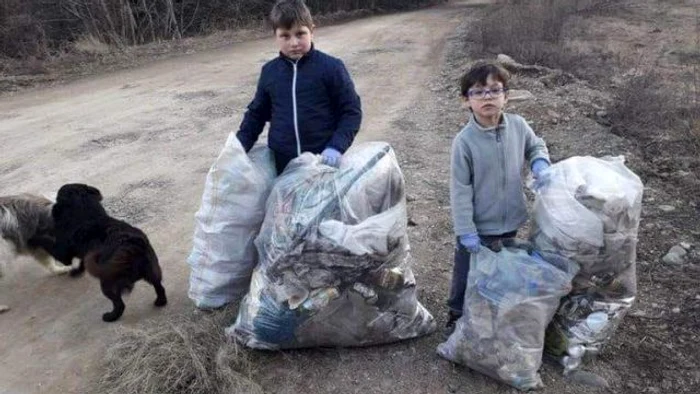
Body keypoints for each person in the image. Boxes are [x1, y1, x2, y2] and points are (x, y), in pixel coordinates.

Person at [445, 61, 551, 335]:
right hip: (476, 227)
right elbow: (460, 189)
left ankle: (490, 308)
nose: (487, 97)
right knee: (467, 271)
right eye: (478, 92)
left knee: (501, 268)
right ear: (466, 101)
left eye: (494, 90)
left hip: (510, 219)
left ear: (507, 96)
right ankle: (457, 313)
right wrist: (466, 230)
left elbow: (535, 144)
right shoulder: (465, 141)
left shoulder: (518, 125)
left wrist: (539, 161)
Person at [236, 0, 362, 175]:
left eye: (300, 34)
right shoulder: (270, 72)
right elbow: (256, 115)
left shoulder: (331, 68)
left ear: (312, 31)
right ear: (275, 36)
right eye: (285, 36)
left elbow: (351, 111)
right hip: (282, 166)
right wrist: (238, 148)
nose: (294, 42)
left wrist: (336, 147)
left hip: (323, 164)